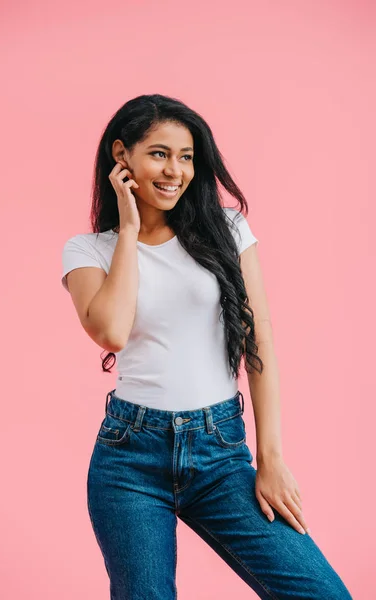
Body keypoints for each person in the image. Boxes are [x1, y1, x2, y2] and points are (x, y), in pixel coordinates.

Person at [61, 94, 353, 599]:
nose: (175, 170)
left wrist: (271, 457)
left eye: (187, 156)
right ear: (121, 155)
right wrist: (130, 230)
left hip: (220, 451)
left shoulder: (228, 231)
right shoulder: (89, 250)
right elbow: (110, 331)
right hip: (130, 460)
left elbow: (258, 342)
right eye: (158, 153)